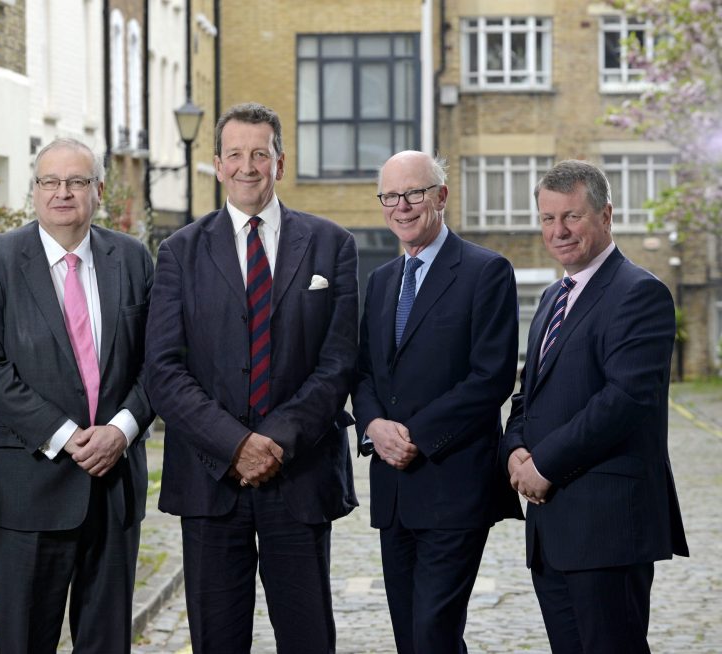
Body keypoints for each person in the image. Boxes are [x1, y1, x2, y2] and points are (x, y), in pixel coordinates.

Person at [144, 102, 358, 653]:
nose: (247, 166)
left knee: (308, 639)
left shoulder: (333, 245)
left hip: (300, 474)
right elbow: (164, 370)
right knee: (217, 640)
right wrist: (236, 445)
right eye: (235, 154)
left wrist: (275, 442)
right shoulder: (179, 252)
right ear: (217, 164)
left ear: (279, 163)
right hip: (210, 480)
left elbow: (338, 363)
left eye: (259, 154)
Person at [0, 138, 155, 654]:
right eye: (50, 181)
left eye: (76, 182)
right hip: (29, 487)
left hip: (114, 488)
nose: (62, 193)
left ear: (98, 191)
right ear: (35, 191)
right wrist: (68, 436)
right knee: (25, 641)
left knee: (107, 642)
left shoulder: (133, 260)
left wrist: (122, 429)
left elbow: (158, 363)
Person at [501, 159, 689, 653]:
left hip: (608, 527)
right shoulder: (550, 298)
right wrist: (515, 449)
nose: (558, 231)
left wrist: (545, 463)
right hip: (553, 529)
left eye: (572, 217)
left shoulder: (640, 293)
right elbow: (529, 392)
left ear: (606, 215)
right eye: (547, 218)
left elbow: (625, 400)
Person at [352, 151, 522, 653]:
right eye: (390, 196)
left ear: (441, 196)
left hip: (454, 487)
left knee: (433, 634)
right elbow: (365, 372)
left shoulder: (486, 271)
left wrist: (417, 438)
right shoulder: (382, 280)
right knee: (412, 637)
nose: (401, 206)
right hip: (394, 491)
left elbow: (490, 379)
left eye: (414, 193)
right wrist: (373, 426)